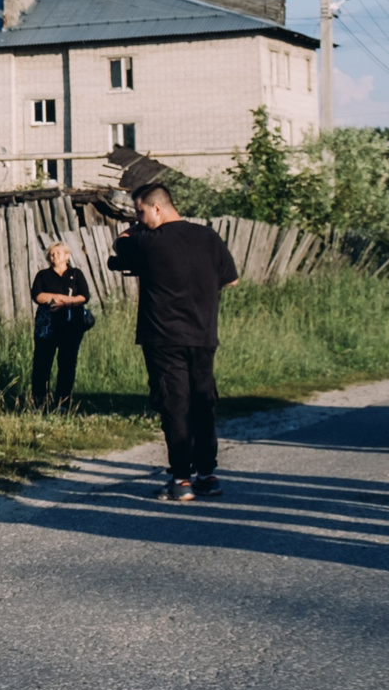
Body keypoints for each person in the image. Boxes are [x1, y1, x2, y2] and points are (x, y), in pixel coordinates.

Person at [106, 184, 239, 503]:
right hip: (204, 336)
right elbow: (231, 278)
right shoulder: (209, 237)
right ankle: (208, 475)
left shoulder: (145, 241)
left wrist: (133, 228)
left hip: (163, 339)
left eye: (140, 212)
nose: (138, 218)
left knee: (175, 406)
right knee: (203, 404)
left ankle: (181, 479)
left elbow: (118, 244)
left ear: (157, 208)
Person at [28, 240, 92, 411]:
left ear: (66, 256)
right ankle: (39, 403)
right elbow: (38, 295)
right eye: (51, 254)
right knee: (42, 364)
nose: (53, 256)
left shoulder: (76, 274)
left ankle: (63, 403)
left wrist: (66, 303)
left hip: (71, 326)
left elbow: (84, 296)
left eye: (57, 253)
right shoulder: (43, 275)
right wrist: (56, 297)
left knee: (67, 364)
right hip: (47, 327)